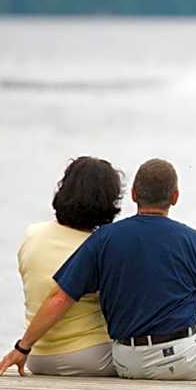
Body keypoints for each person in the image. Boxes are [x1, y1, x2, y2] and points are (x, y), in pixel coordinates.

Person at [0, 158, 196, 381]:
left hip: (127, 360)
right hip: (179, 356)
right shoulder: (194, 241)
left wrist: (23, 347)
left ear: (135, 194)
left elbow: (59, 297)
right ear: (175, 197)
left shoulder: (103, 239)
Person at [17, 156, 122, 377]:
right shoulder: (103, 246)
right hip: (93, 357)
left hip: (36, 357)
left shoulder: (32, 234)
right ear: (109, 201)